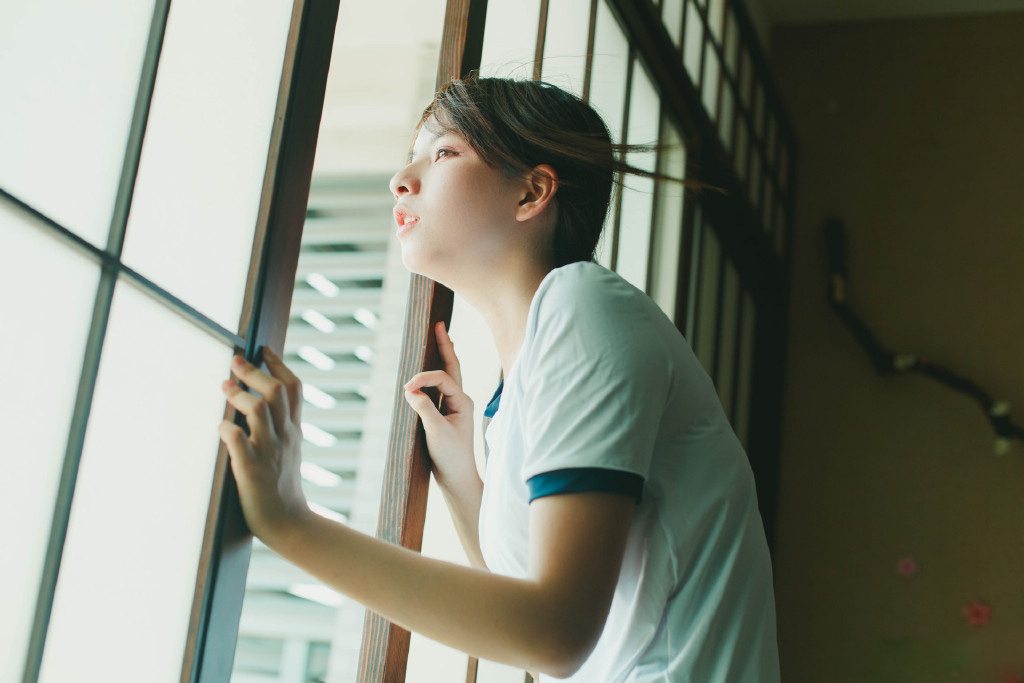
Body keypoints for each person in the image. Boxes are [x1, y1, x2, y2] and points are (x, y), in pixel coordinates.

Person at [219, 77, 780, 682]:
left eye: (443, 153)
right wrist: (463, 478)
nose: (400, 179)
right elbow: (527, 598)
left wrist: (289, 521)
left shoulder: (583, 304)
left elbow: (554, 633)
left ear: (531, 193)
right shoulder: (527, 376)